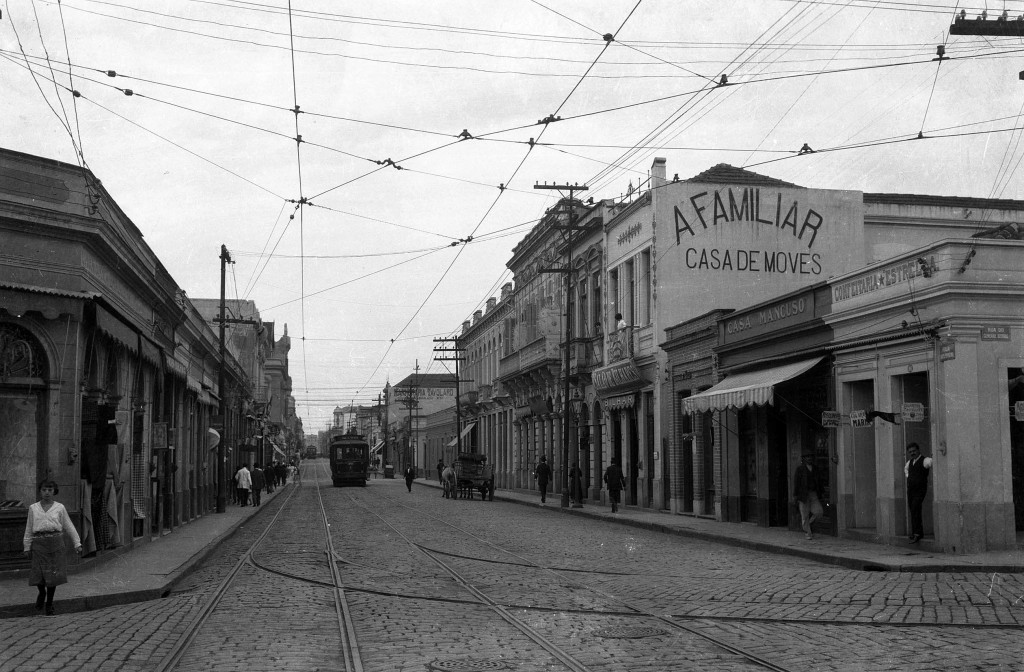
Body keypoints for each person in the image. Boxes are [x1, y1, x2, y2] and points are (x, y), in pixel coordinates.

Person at [23, 480, 83, 615]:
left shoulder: (59, 508)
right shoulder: (33, 508)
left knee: (53, 575)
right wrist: (27, 546)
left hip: (56, 544)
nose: (47, 493)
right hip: (39, 544)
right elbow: (28, 528)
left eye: (50, 490)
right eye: (44, 490)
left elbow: (69, 525)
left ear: (54, 491)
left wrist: (77, 543)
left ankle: (49, 603)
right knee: (38, 573)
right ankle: (41, 593)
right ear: (40, 491)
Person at [905, 442, 933, 543]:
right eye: (910, 452)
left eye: (914, 451)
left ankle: (918, 534)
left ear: (918, 450)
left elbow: (933, 463)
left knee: (916, 507)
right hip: (911, 490)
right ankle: (915, 533)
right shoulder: (909, 462)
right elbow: (906, 470)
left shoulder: (925, 460)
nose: (912, 453)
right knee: (912, 509)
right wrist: (910, 478)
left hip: (920, 489)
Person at [793, 452, 824, 540]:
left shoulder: (815, 469)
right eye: (807, 457)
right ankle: (808, 532)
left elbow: (819, 482)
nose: (809, 458)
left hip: (813, 494)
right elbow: (796, 483)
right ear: (804, 459)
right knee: (805, 514)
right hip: (803, 495)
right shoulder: (800, 469)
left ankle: (809, 524)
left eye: (810, 456)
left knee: (819, 512)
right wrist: (795, 495)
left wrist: (821, 493)